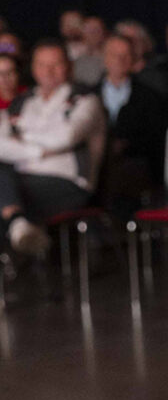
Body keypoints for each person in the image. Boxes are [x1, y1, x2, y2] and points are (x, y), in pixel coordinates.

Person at [0, 40, 106, 258]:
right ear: (33, 68)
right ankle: (18, 227)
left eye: (55, 64)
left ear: (68, 66)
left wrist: (21, 140)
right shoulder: (22, 103)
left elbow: (66, 136)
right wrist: (39, 150)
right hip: (20, 182)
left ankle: (17, 229)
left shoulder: (85, 100)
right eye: (42, 64)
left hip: (69, 183)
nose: (48, 71)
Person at [99, 33, 168, 219]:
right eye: (114, 54)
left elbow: (158, 140)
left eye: (125, 55)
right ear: (104, 57)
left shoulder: (151, 97)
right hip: (94, 166)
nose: (119, 60)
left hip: (135, 169)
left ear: (133, 59)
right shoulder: (86, 96)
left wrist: (127, 145)